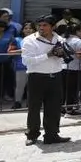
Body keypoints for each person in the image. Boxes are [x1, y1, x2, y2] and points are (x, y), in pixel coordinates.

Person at [20, 15, 72, 146]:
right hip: (36, 77)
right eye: (40, 25)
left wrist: (62, 55)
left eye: (45, 25)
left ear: (52, 27)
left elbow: (64, 57)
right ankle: (32, 135)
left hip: (55, 76)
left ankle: (52, 135)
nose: (41, 28)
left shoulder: (60, 39)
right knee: (34, 107)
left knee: (54, 108)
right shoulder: (29, 40)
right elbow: (26, 61)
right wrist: (48, 55)